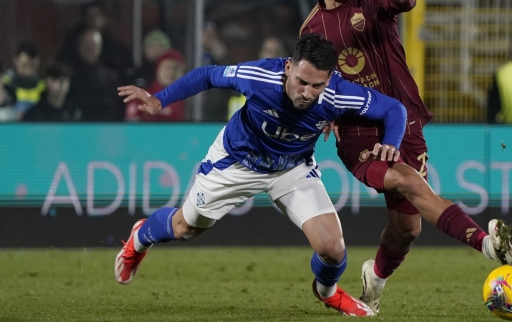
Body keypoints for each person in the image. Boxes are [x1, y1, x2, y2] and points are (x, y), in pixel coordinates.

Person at [301, 0, 512, 314]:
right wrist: (324, 113)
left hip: (406, 122)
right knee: (405, 179)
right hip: (359, 131)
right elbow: (314, 81)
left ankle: (376, 277)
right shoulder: (312, 30)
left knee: (407, 229)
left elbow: (406, 2)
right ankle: (486, 243)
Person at [114, 34, 408, 317]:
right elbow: (207, 75)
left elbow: (394, 109)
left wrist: (391, 145)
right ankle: (139, 239)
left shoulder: (340, 92)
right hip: (237, 162)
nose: (306, 93)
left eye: (316, 86)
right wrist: (160, 99)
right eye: (301, 82)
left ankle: (327, 292)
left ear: (329, 79)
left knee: (332, 248)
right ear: (289, 67)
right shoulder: (260, 76)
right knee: (184, 229)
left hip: (292, 168)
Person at [227, 36, 288, 120]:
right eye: (268, 51)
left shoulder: (290, 89)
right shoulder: (242, 82)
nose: (271, 56)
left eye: (276, 52)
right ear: (261, 53)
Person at [125, 49, 186, 122]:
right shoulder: (141, 99)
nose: (171, 72)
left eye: (175, 68)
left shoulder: (189, 100)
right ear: (158, 71)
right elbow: (131, 130)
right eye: (167, 68)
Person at [2, 40, 45, 118]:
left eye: (32, 66)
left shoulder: (44, 85)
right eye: (24, 65)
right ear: (15, 60)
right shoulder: (5, 83)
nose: (28, 70)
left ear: (38, 62)